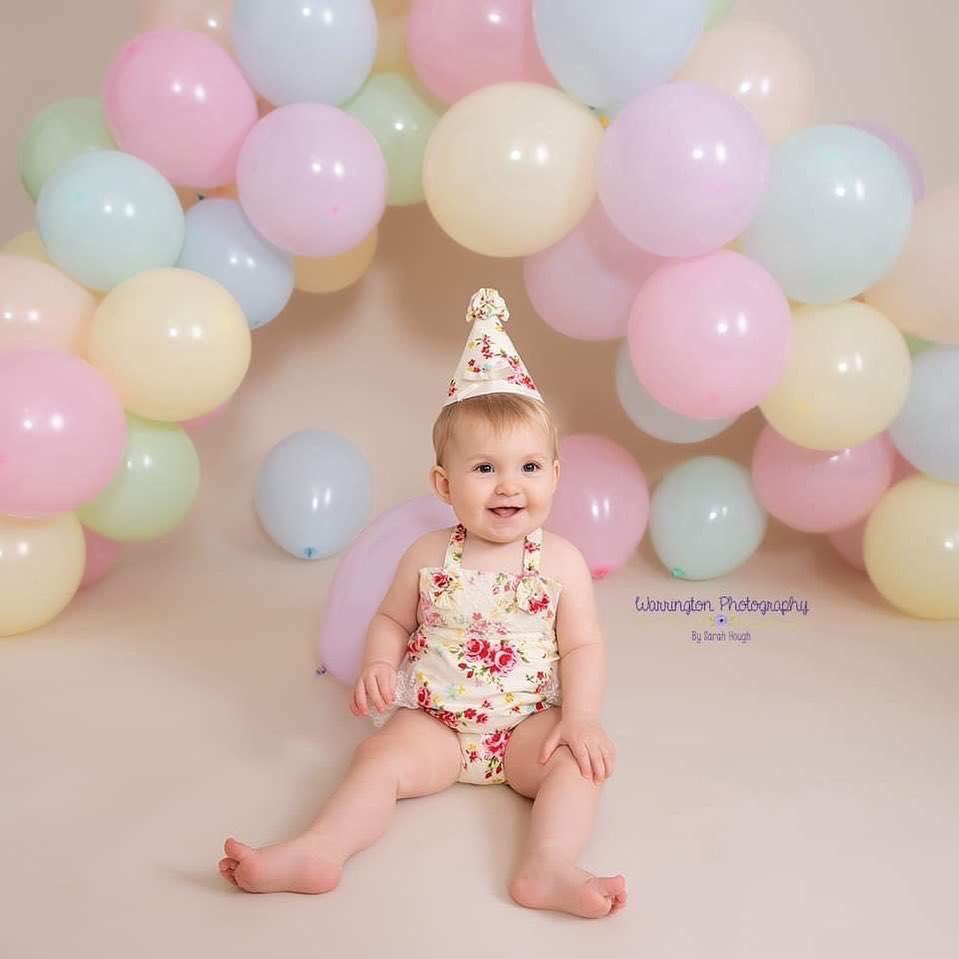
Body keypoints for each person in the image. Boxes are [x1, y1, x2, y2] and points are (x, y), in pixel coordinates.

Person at [219, 288, 625, 918]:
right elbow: (390, 620)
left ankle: (547, 865)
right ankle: (319, 849)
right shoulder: (429, 555)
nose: (510, 485)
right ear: (444, 484)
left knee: (580, 764)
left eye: (529, 466)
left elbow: (582, 645)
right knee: (378, 757)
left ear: (555, 474)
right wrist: (380, 665)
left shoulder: (562, 562)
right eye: (485, 468)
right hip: (437, 724)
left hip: (524, 728)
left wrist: (582, 717)